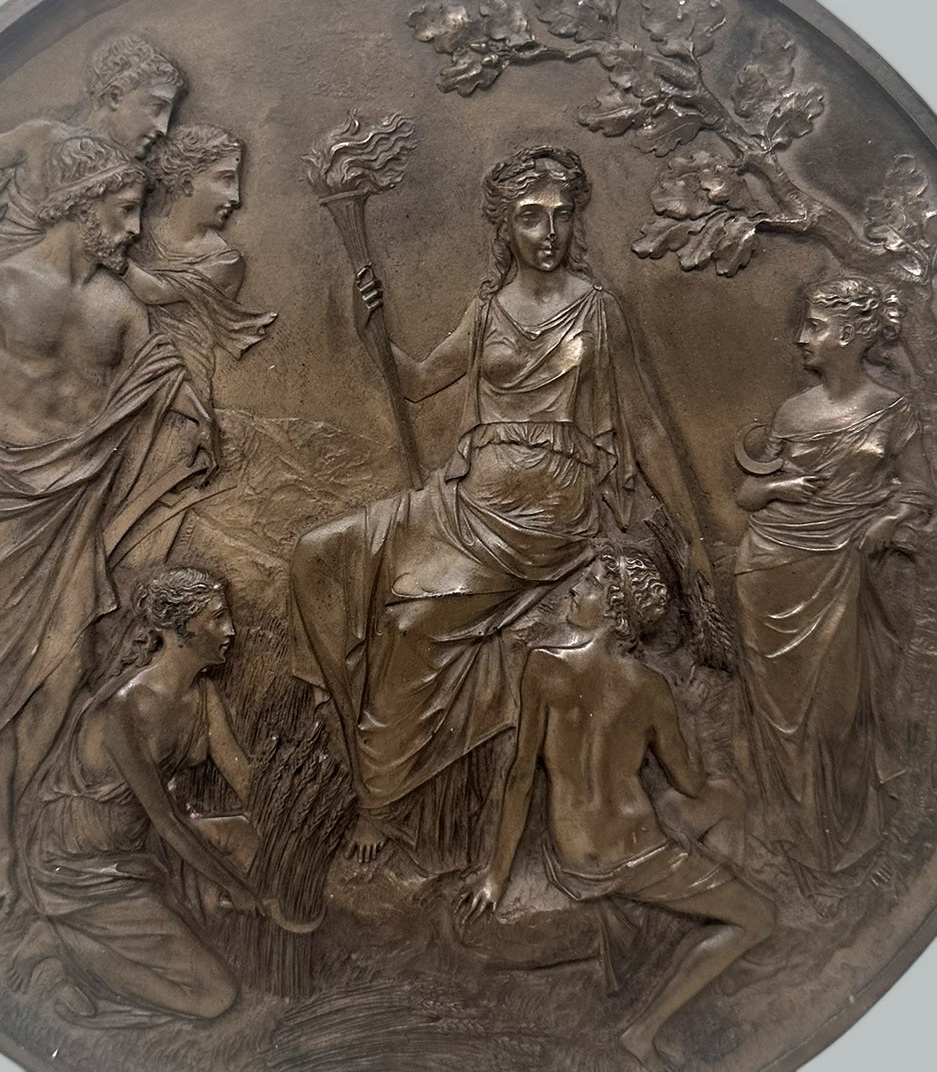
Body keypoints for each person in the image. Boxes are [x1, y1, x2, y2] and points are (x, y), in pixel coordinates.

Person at [290, 146, 713, 873]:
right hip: (463, 498)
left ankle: (379, 799)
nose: (547, 233)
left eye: (561, 216)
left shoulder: (598, 310)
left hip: (547, 515)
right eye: (529, 217)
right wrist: (370, 328)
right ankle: (347, 721)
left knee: (412, 624)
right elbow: (417, 382)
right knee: (315, 555)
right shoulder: (487, 310)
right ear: (504, 227)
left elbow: (643, 427)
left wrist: (694, 534)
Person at [0, 134, 218, 912]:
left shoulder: (119, 307)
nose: (134, 228)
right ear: (84, 207)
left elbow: (160, 376)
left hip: (68, 510)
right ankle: (2, 844)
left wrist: (198, 416)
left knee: (66, 668)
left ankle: (20, 813)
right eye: (125, 210)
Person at [460, 546, 776, 1072]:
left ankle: (697, 924)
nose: (574, 590)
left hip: (574, 854)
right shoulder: (648, 686)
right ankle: (643, 1030)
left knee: (714, 804)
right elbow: (689, 782)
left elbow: (520, 777)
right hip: (635, 855)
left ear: (612, 609)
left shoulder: (542, 667)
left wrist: (496, 876)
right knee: (760, 915)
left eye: (588, 585)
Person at [734, 277, 934, 904]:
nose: (801, 338)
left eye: (815, 326)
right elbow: (749, 493)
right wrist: (778, 488)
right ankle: (796, 846)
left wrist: (890, 520)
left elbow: (921, 492)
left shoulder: (892, 411)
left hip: (845, 572)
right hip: (771, 571)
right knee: (781, 721)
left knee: (839, 715)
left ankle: (848, 849)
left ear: (850, 336)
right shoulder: (793, 414)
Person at [23, 568, 263, 1022]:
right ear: (179, 629)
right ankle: (58, 945)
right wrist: (235, 885)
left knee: (248, 836)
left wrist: (290, 827)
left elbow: (244, 780)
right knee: (214, 997)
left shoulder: (202, 694)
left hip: (137, 842)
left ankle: (210, 920)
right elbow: (166, 820)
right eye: (217, 618)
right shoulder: (126, 707)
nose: (231, 630)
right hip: (82, 862)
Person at [0, 33, 184, 261]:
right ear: (114, 96)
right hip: (7, 276)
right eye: (157, 108)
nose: (163, 128)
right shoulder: (43, 138)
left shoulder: (130, 176)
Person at [138, 124, 276, 406]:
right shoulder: (139, 236)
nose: (236, 198)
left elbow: (156, 292)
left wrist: (113, 259)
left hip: (181, 380)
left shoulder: (226, 262)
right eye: (226, 179)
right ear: (187, 181)